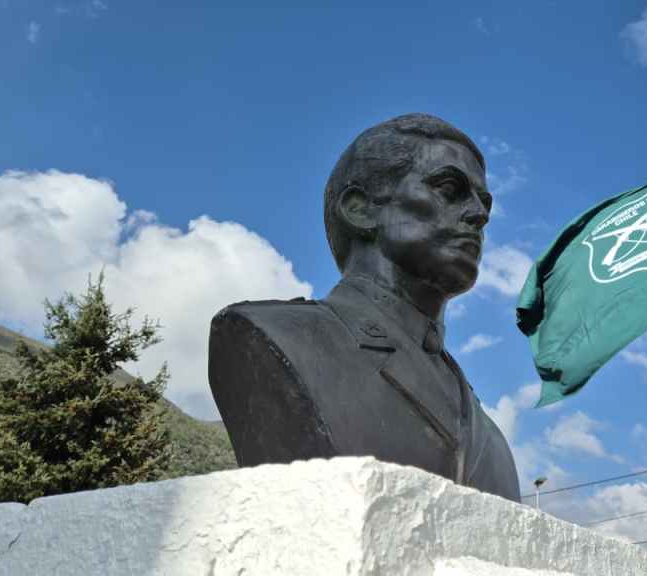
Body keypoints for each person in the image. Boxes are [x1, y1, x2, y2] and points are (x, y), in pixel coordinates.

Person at [208, 114, 520, 502]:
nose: (479, 214)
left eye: (483, 202)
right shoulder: (277, 336)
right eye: (449, 188)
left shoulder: (488, 434)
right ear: (360, 209)